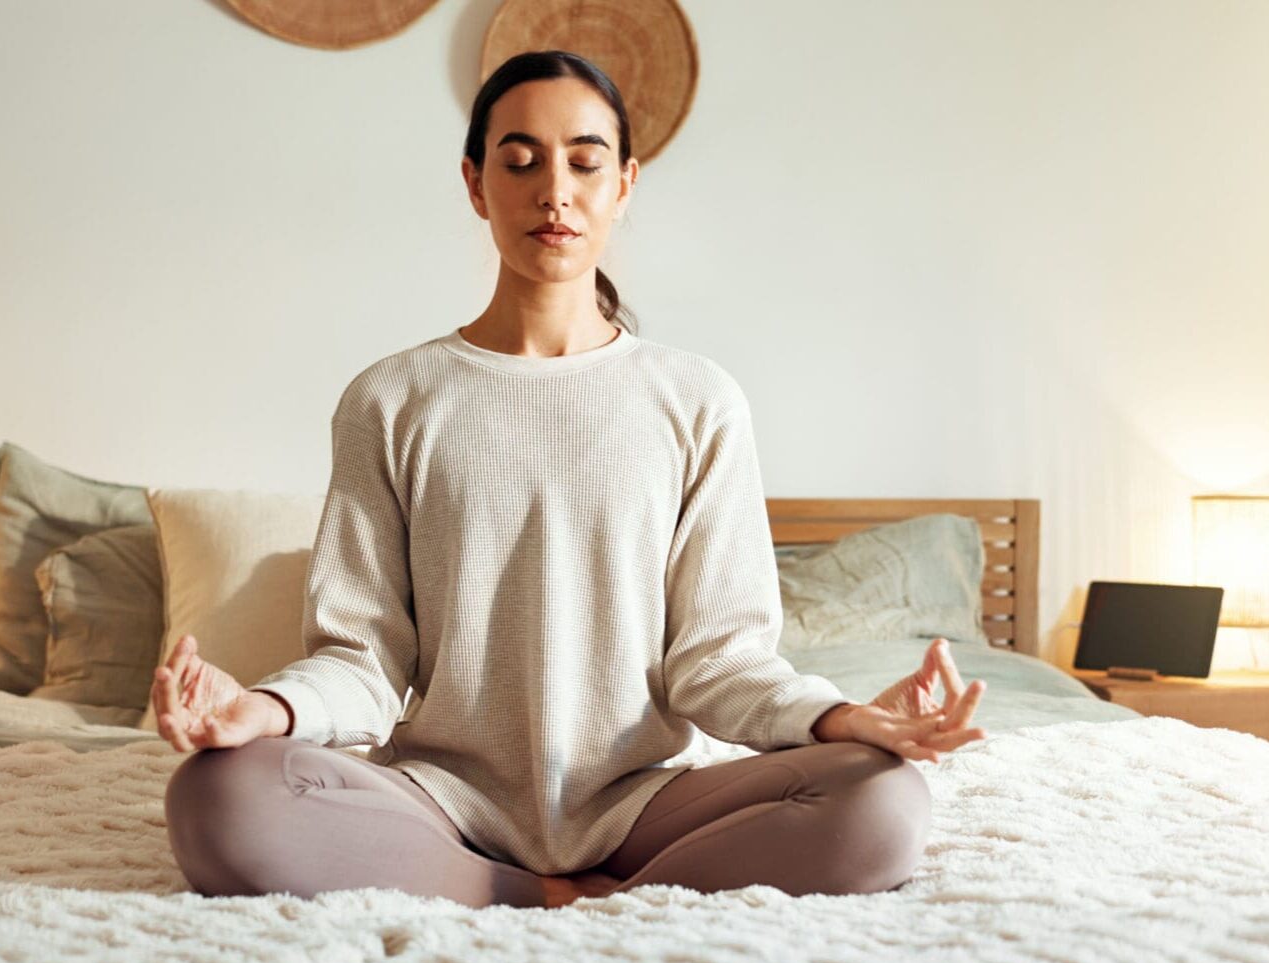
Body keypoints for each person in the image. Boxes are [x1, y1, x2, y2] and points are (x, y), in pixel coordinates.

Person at [160, 50, 987, 910]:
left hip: (644, 799)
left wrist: (846, 718)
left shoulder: (697, 400)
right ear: (476, 184)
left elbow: (721, 661)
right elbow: (363, 662)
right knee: (217, 796)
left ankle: (536, 887)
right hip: (443, 800)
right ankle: (548, 890)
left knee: (885, 798)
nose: (554, 189)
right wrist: (263, 710)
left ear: (624, 183)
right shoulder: (391, 398)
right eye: (521, 161)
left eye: (585, 161)